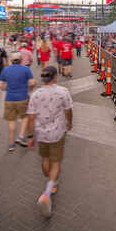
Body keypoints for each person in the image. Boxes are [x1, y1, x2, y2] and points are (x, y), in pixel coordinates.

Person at [26, 66, 73, 217]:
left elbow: (31, 118)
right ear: (55, 77)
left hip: (41, 134)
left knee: (45, 159)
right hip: (58, 132)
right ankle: (47, 191)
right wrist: (69, 122)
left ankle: (51, 181)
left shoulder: (35, 94)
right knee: (56, 162)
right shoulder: (62, 92)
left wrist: (30, 136)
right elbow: (68, 110)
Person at [0, 52, 35, 152]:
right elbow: (32, 82)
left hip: (9, 98)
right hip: (23, 97)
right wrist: (30, 89)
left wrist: (7, 89)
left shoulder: (6, 70)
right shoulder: (26, 69)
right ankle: (21, 136)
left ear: (11, 60)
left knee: (12, 121)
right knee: (25, 117)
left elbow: (0, 85)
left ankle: (11, 143)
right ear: (21, 59)